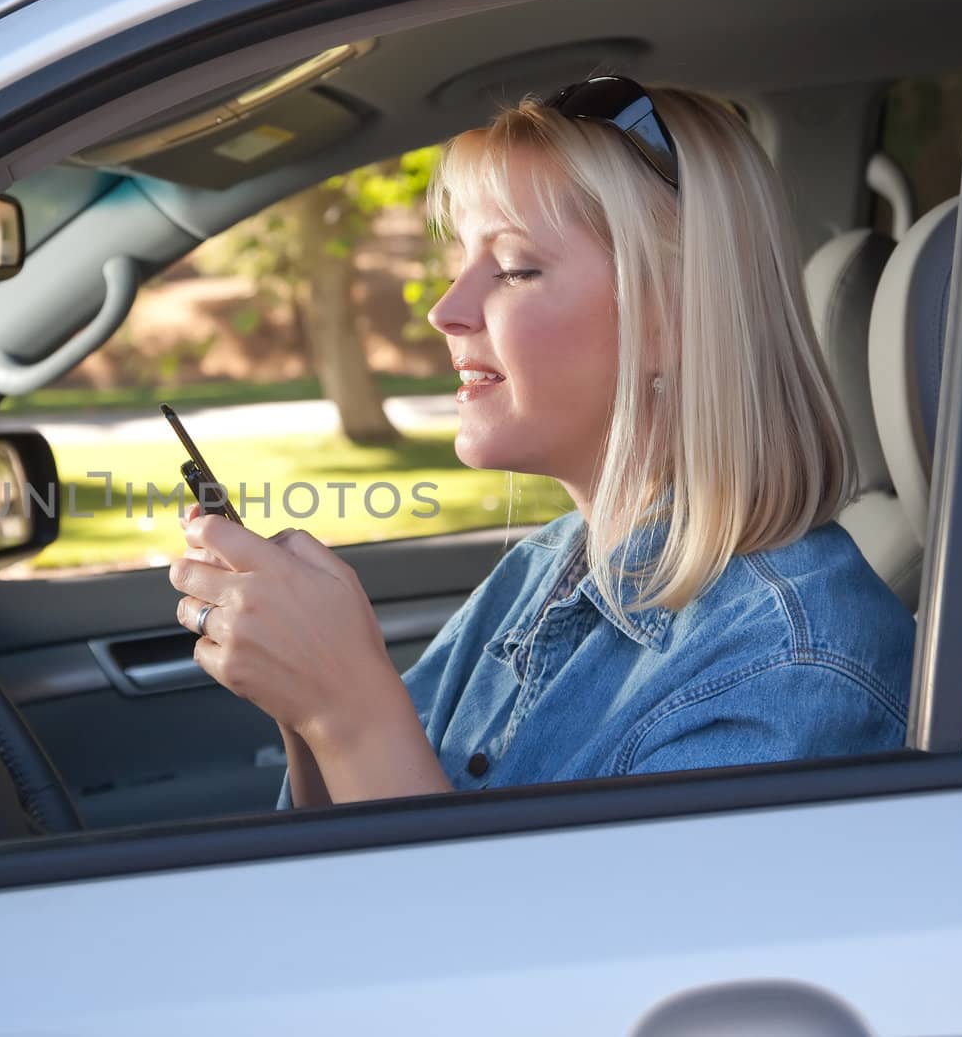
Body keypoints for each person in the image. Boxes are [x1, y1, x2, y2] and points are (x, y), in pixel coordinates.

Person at [168, 76, 913, 808]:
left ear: (673, 318)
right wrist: (304, 696)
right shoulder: (547, 566)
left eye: (517, 268)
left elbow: (481, 935)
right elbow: (344, 859)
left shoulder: (792, 667)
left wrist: (347, 709)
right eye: (461, 259)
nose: (445, 310)